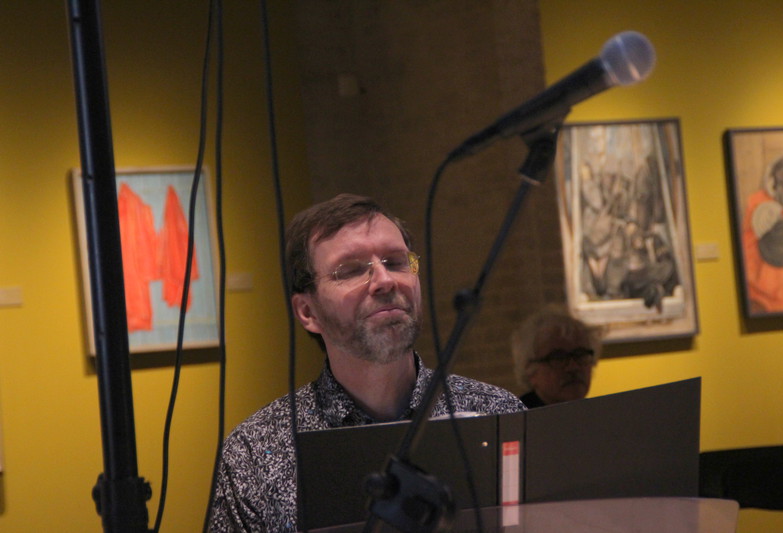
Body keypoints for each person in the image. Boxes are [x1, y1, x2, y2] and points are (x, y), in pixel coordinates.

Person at [209, 193, 525, 531]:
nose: (385, 281)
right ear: (308, 311)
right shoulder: (254, 452)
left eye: (396, 262)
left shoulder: (497, 413)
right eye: (351, 270)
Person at [510, 308, 602, 408]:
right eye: (558, 358)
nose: (573, 367)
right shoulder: (516, 416)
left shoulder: (600, 413)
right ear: (529, 370)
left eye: (580, 355)